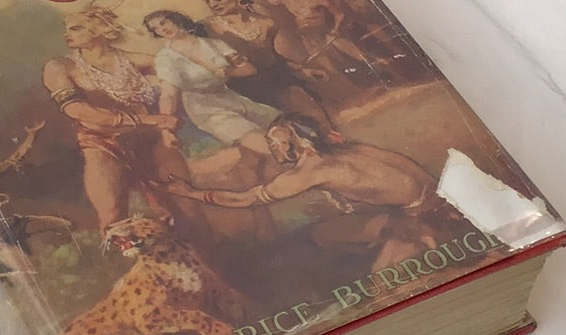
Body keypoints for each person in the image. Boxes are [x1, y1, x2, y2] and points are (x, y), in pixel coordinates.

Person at [162, 114, 454, 272]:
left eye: (274, 141)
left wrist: (188, 192)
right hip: (433, 200)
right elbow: (397, 183)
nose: (272, 148)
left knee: (383, 282)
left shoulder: (310, 171)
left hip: (420, 218)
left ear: (295, 140)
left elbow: (243, 199)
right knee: (325, 232)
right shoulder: (347, 149)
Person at [42, 4, 180, 233]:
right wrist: (150, 120)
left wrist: (166, 117)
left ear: (100, 29)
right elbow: (77, 110)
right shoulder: (59, 67)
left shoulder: (136, 60)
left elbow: (177, 75)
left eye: (76, 28)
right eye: (66, 28)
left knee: (178, 208)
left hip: (149, 141)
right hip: (101, 144)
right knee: (112, 218)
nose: (67, 34)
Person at [197, 0, 340, 132]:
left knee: (313, 114)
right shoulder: (206, 29)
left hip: (273, 82)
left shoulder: (266, 23)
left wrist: (303, 70)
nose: (213, 5)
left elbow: (274, 60)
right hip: (239, 90)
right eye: (208, 1)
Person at [143, 9, 279, 160]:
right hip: (204, 109)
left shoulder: (214, 44)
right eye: (156, 28)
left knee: (281, 123)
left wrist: (229, 72)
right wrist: (167, 130)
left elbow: (249, 69)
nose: (162, 29)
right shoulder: (166, 58)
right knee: (256, 139)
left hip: (230, 97)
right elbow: (168, 94)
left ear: (176, 19)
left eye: (164, 23)